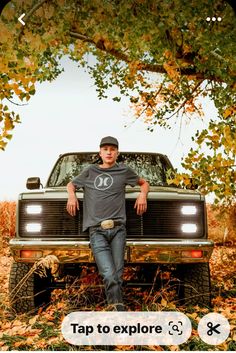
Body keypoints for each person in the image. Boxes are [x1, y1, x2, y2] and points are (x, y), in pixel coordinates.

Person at [66, 136, 149, 311]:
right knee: (109, 275)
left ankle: (115, 310)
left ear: (117, 152)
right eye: (105, 149)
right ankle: (118, 311)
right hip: (97, 231)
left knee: (117, 276)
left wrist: (142, 195)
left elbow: (144, 183)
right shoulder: (90, 171)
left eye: (112, 149)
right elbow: (71, 185)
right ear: (100, 153)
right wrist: (72, 196)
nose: (109, 152)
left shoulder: (124, 171)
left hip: (118, 230)